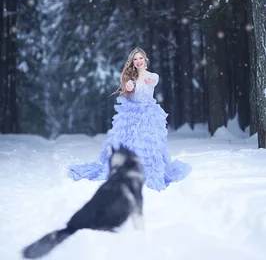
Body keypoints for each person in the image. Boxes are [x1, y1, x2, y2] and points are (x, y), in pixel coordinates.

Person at [68, 47, 191, 191]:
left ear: (145, 60)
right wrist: (129, 86)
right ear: (132, 62)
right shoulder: (130, 78)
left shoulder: (153, 76)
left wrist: (145, 80)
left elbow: (151, 82)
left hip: (148, 115)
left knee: (148, 145)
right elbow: (129, 92)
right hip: (132, 116)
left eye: (140, 58)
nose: (138, 61)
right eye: (135, 59)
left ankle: (148, 173)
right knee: (129, 144)